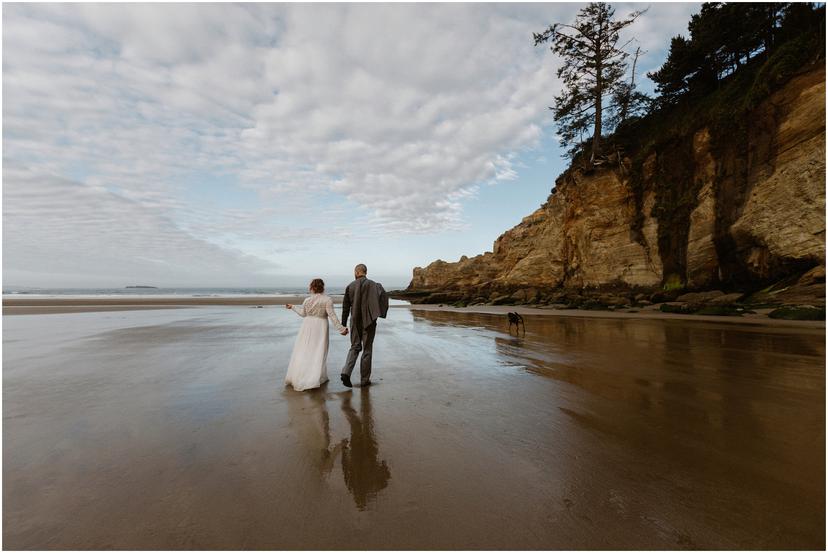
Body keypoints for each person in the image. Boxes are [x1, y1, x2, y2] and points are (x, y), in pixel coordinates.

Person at [284, 278, 348, 391]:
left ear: (312, 288)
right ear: (322, 287)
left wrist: (293, 307)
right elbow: (332, 316)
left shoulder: (307, 300)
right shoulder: (327, 300)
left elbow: (303, 314)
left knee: (305, 350)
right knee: (319, 351)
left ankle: (303, 375)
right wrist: (341, 329)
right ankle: (315, 377)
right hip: (320, 326)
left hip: (307, 326)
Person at [340, 263, 388, 388]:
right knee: (367, 349)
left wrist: (343, 324)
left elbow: (345, 307)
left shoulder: (350, 286)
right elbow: (384, 299)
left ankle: (346, 372)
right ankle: (364, 380)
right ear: (365, 272)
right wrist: (379, 313)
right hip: (370, 321)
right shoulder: (375, 285)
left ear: (356, 272)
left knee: (354, 346)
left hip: (355, 320)